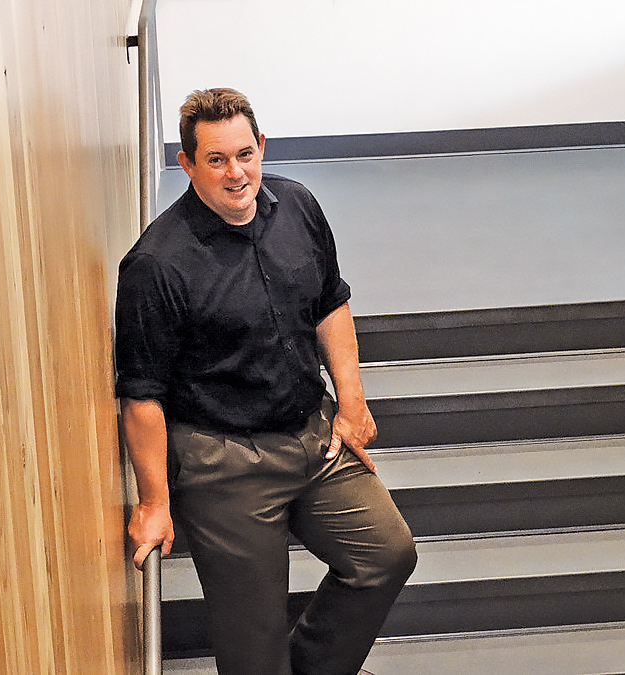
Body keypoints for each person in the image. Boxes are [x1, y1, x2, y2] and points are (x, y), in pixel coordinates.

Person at [115, 88, 417, 675]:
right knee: (253, 651)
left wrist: (351, 403)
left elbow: (331, 304)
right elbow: (141, 395)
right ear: (187, 164)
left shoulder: (297, 205)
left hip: (314, 434)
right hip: (224, 463)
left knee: (385, 555)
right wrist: (154, 500)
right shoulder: (156, 264)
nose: (237, 174)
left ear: (262, 147)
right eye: (217, 160)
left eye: (246, 154)